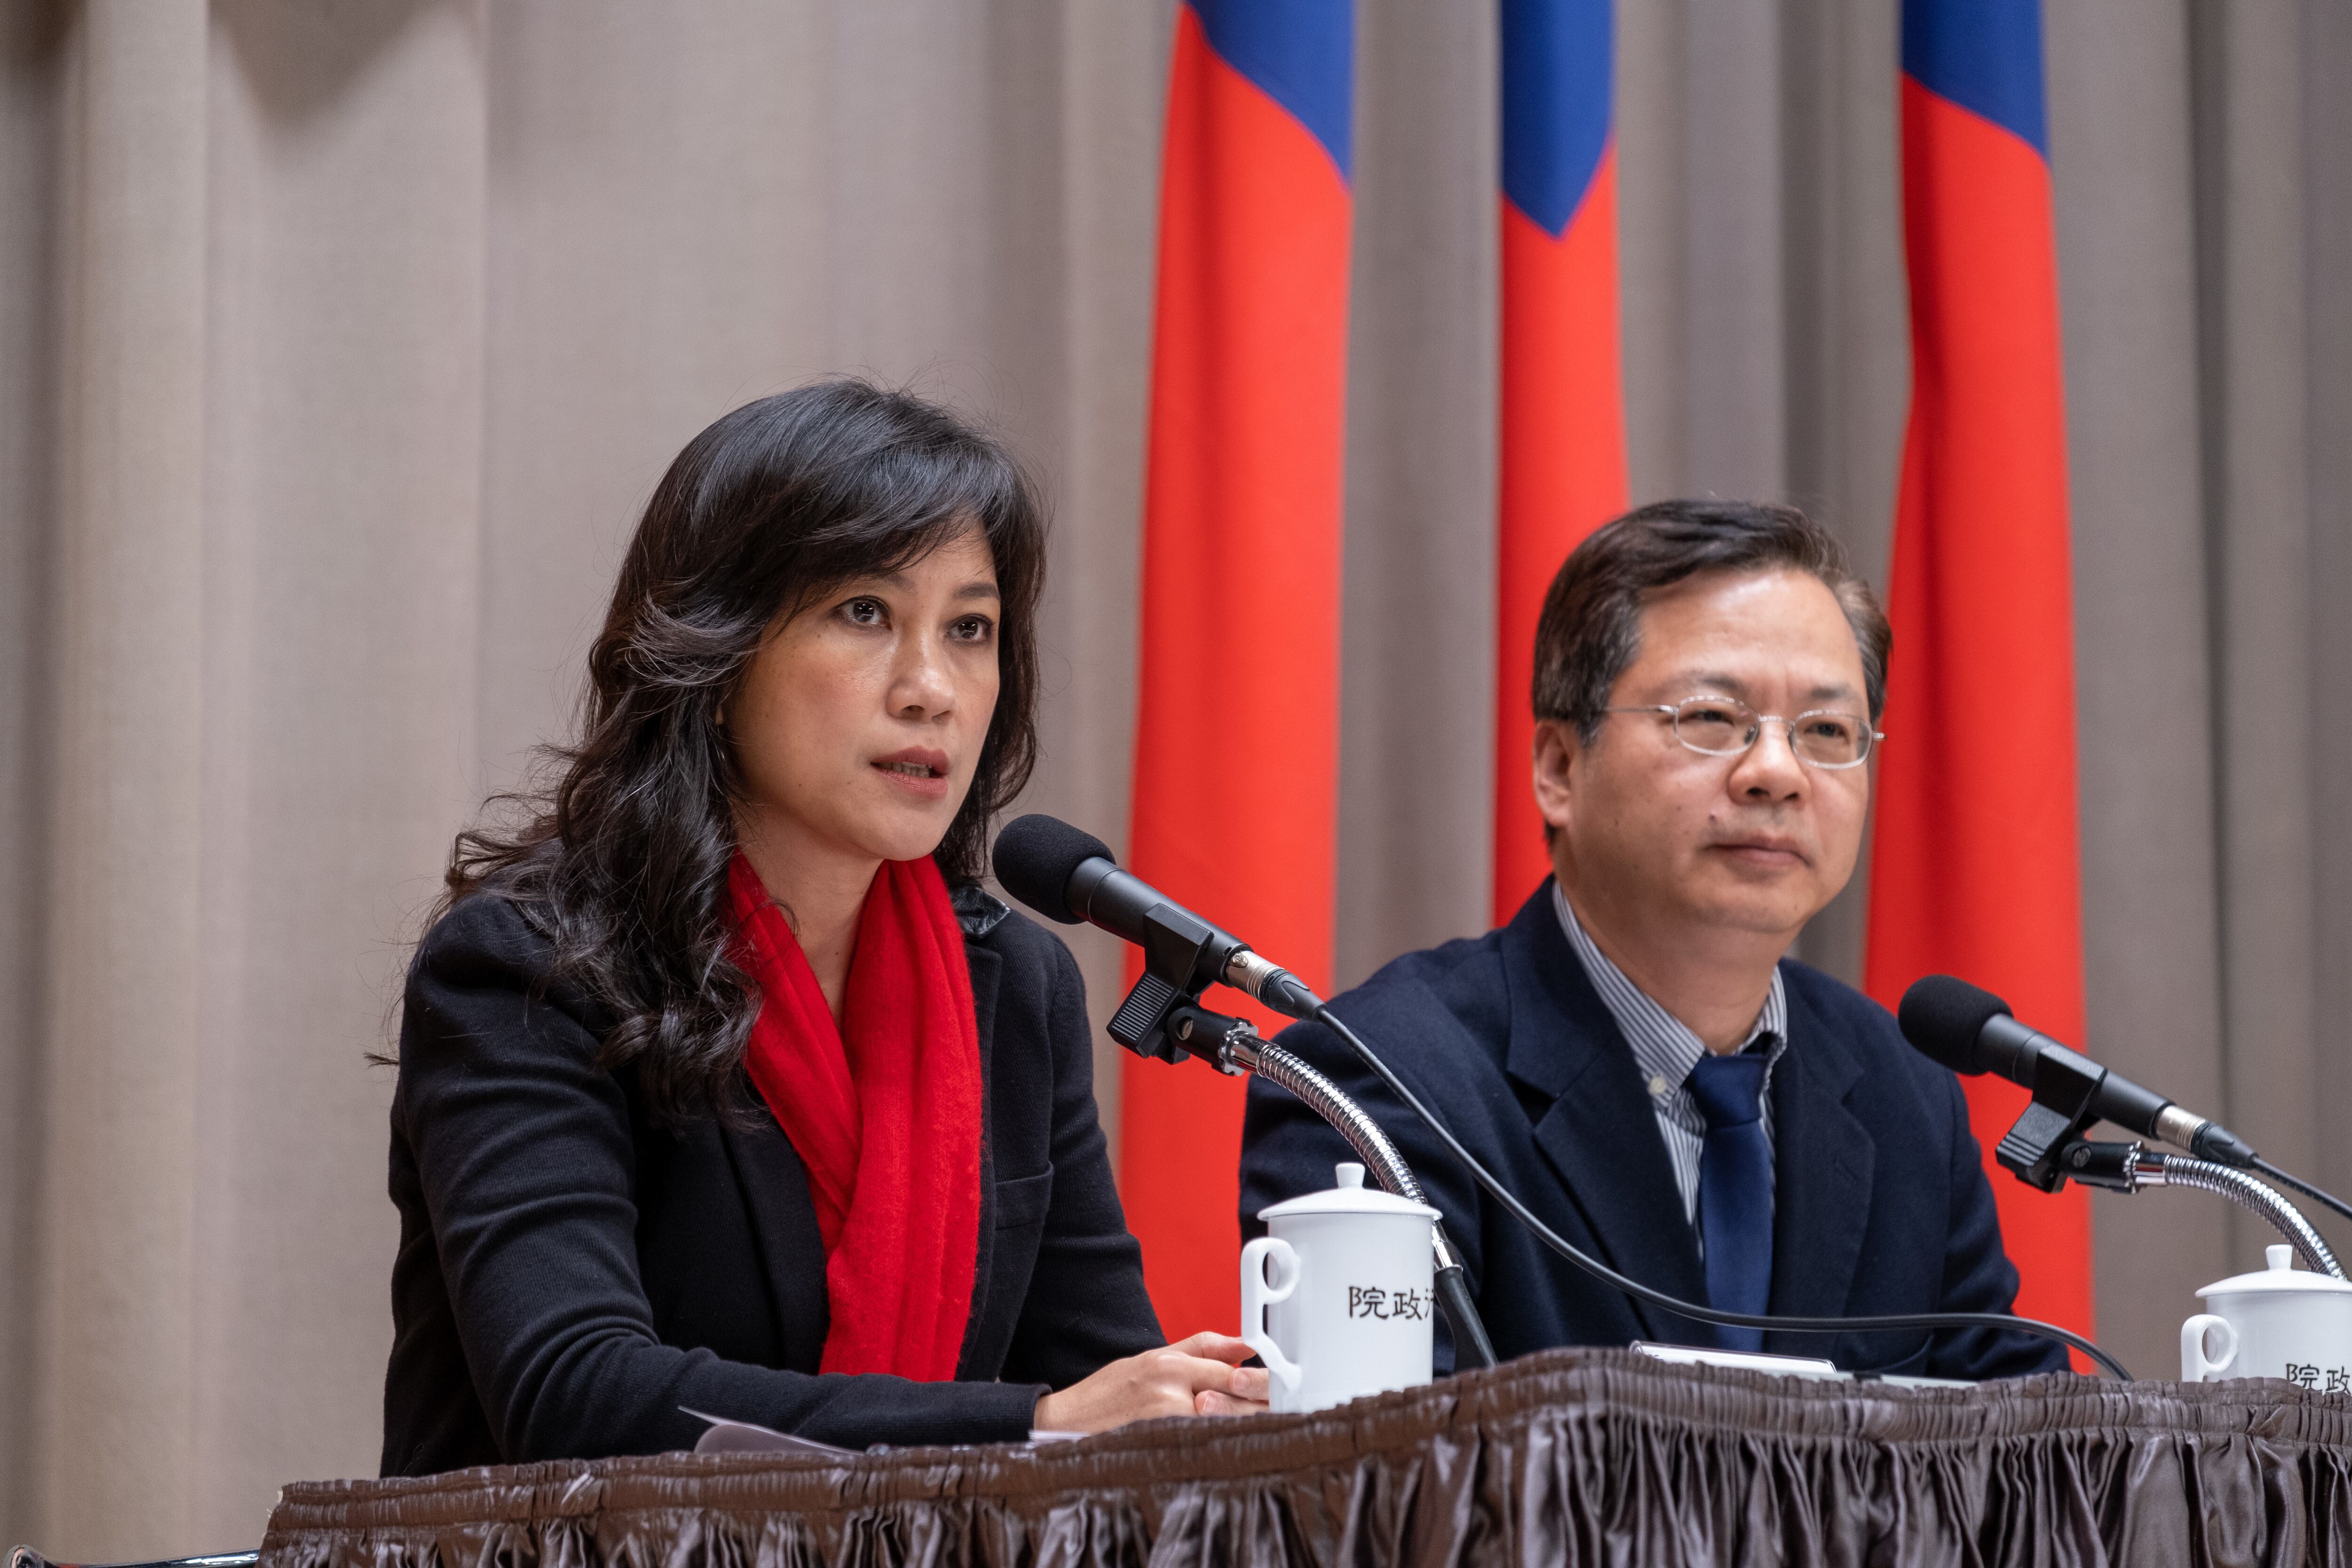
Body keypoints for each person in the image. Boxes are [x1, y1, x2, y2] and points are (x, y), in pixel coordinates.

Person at [382, 380, 1266, 1476]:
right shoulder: (533, 965)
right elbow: (575, 1392)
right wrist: (1035, 1426)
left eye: (970, 628)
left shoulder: (1014, 986)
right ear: (716, 658)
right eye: (864, 614)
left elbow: (1098, 1373)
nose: (932, 688)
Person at [1239, 500, 2067, 1380]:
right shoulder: (1381, 1079)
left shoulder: (1906, 1099)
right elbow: (1374, 1485)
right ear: (1560, 768)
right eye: (1712, 718)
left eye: (1827, 732)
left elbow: (2015, 1456)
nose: (1777, 773)